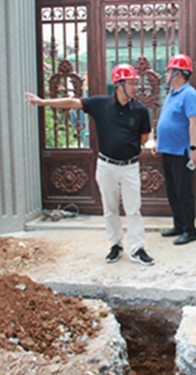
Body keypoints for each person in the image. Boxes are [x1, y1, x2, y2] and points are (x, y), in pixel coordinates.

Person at [25, 64, 155, 265]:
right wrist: (43, 102)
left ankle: (138, 249)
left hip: (130, 167)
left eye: (136, 83)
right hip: (106, 166)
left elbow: (144, 138)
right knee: (110, 208)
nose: (136, 87)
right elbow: (72, 102)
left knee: (133, 209)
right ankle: (116, 245)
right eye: (131, 83)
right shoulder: (100, 104)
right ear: (119, 84)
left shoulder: (140, 110)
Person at [155, 54, 196, 246]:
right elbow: (167, 120)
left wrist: (193, 148)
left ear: (179, 73)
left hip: (181, 152)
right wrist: (159, 141)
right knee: (173, 191)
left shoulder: (189, 94)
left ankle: (190, 230)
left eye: (169, 71)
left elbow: (194, 122)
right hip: (167, 150)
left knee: (184, 193)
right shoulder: (171, 94)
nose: (166, 74)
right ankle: (179, 225)